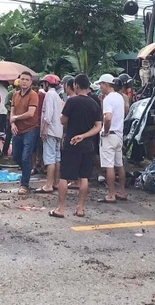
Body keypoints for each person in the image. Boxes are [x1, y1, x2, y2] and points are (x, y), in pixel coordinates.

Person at [49, 74, 102, 218]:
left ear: (76, 86)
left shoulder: (72, 102)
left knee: (65, 177)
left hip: (71, 143)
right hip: (87, 145)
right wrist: (84, 135)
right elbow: (98, 126)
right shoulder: (94, 103)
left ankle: (61, 208)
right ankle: (80, 208)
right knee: (84, 177)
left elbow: (62, 120)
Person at [95, 74, 128, 203]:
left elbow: (108, 117)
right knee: (119, 164)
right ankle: (122, 192)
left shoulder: (109, 99)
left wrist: (106, 131)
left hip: (110, 134)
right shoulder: (119, 97)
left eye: (101, 84)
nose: (100, 87)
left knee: (109, 165)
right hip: (119, 134)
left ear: (106, 84)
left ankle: (111, 194)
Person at [10, 72, 40, 195]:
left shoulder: (33, 95)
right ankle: (26, 172)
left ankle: (25, 184)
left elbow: (30, 113)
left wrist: (16, 118)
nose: (24, 82)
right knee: (16, 156)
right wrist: (12, 123)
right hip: (17, 129)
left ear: (31, 82)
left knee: (26, 156)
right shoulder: (15, 95)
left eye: (27, 80)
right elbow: (12, 112)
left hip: (30, 129)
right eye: (22, 79)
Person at [36, 74, 63, 193]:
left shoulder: (49, 95)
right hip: (58, 131)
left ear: (47, 84)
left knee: (50, 158)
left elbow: (48, 114)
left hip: (51, 130)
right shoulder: (57, 96)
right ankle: (56, 182)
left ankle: (48, 184)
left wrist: (44, 129)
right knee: (57, 158)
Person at [2, 79, 19, 158]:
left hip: (18, 118)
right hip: (10, 117)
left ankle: (14, 153)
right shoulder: (11, 94)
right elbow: (6, 104)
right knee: (8, 135)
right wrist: (12, 110)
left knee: (17, 136)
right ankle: (4, 152)